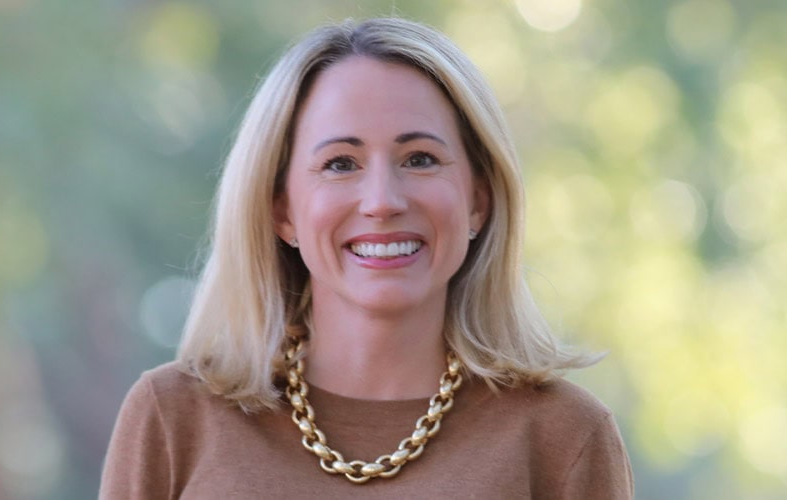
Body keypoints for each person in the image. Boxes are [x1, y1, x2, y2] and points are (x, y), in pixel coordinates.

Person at [100, 17, 633, 499]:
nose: (382, 201)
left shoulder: (564, 435)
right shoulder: (172, 418)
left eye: (420, 159)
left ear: (478, 200)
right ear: (282, 209)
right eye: (340, 163)